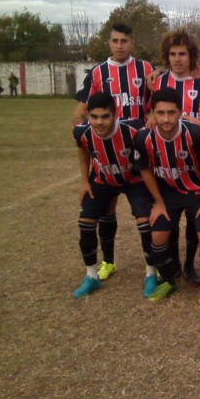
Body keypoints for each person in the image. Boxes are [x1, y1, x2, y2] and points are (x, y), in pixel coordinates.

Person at [73, 23, 154, 282]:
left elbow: (157, 102)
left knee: (147, 213)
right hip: (107, 153)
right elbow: (82, 111)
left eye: (124, 40)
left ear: (132, 43)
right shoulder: (98, 72)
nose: (119, 45)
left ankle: (156, 267)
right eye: (115, 40)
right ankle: (108, 262)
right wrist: (85, 131)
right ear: (109, 43)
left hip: (137, 153)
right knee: (106, 211)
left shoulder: (146, 68)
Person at [133, 87, 200, 303]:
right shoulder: (143, 137)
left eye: (171, 112)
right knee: (157, 236)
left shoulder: (195, 134)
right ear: (153, 113)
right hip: (170, 193)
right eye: (160, 113)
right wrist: (158, 202)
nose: (166, 119)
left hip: (199, 191)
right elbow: (144, 169)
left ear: (181, 112)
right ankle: (168, 281)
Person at [72, 93, 157, 299]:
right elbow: (83, 150)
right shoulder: (81, 132)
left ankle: (151, 273)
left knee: (145, 222)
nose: (99, 122)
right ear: (88, 115)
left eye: (105, 116)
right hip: (104, 179)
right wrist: (85, 181)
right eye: (94, 117)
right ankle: (92, 276)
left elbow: (150, 153)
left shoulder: (134, 129)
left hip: (134, 180)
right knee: (86, 222)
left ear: (115, 114)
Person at [151, 29, 200, 287]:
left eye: (183, 54)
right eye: (173, 54)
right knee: (170, 215)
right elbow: (151, 115)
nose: (178, 59)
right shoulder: (158, 82)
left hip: (195, 158)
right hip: (166, 159)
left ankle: (189, 265)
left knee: (193, 215)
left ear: (191, 56)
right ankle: (175, 265)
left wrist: (196, 123)